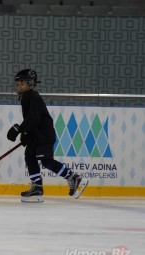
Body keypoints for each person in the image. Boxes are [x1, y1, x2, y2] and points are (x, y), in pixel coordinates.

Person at [6, 68, 87, 203]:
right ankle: (37, 188)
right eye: (18, 84)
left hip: (43, 135)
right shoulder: (26, 97)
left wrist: (19, 129)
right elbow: (32, 120)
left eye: (22, 83)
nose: (19, 86)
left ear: (30, 84)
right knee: (29, 157)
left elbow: (33, 118)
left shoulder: (31, 96)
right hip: (36, 134)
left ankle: (73, 177)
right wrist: (26, 133)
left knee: (46, 161)